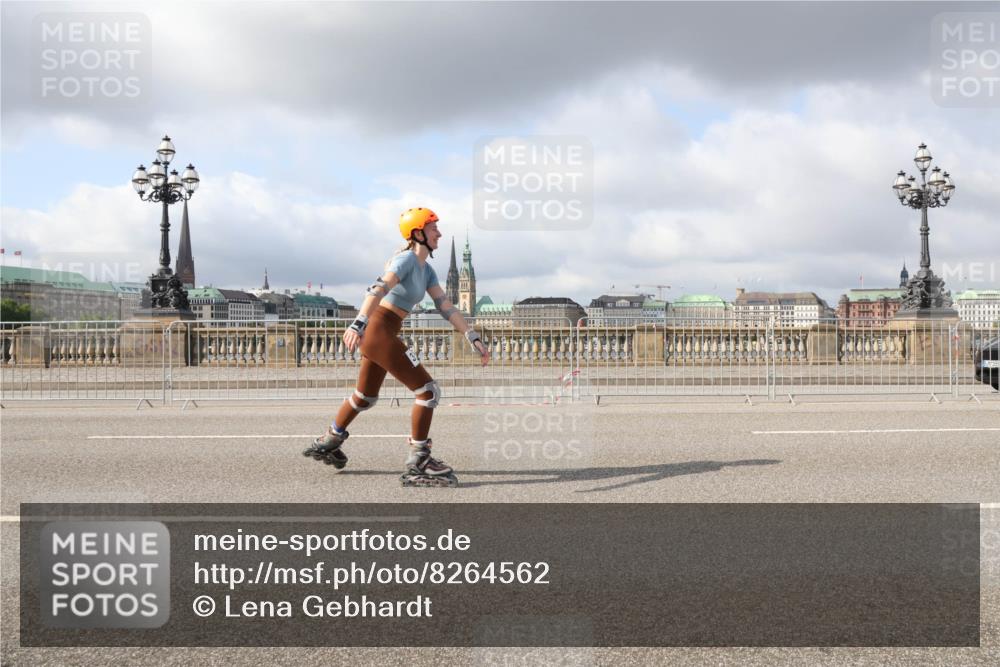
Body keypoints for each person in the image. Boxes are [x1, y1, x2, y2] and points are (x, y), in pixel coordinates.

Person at [302, 207, 490, 487]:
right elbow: (377, 289)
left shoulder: (427, 270)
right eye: (433, 228)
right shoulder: (406, 260)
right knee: (428, 391)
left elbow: (445, 305)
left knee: (365, 397)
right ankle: (419, 461)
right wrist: (358, 323)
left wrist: (470, 334)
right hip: (378, 330)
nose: (439, 232)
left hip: (386, 330)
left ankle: (330, 439)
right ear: (418, 233)